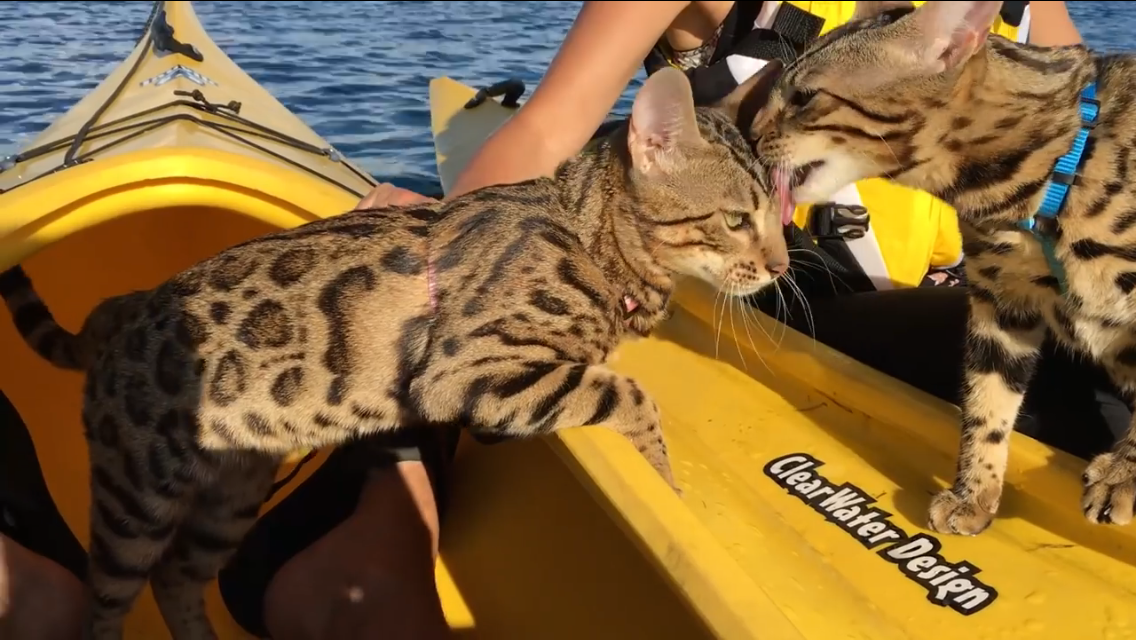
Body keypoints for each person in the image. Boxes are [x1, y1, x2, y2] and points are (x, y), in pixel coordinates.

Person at [0, 2, 1110, 639]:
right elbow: (551, 133)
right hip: (696, 302)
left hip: (898, 324)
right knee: (467, 299)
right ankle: (353, 546)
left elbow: (1074, 153)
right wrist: (446, 226)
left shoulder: (1009, 14)